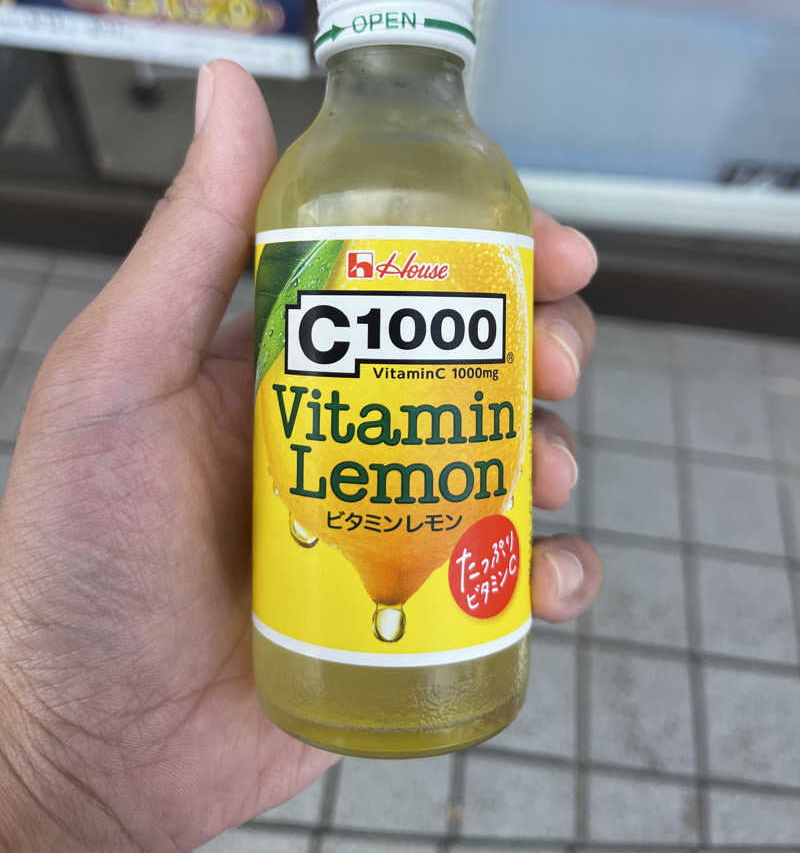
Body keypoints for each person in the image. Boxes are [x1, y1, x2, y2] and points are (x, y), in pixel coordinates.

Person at [0, 60, 602, 852]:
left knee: (491, 431)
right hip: (285, 654)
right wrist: (45, 766)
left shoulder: (471, 174)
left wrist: (46, 787)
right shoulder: (316, 175)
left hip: (453, 647)